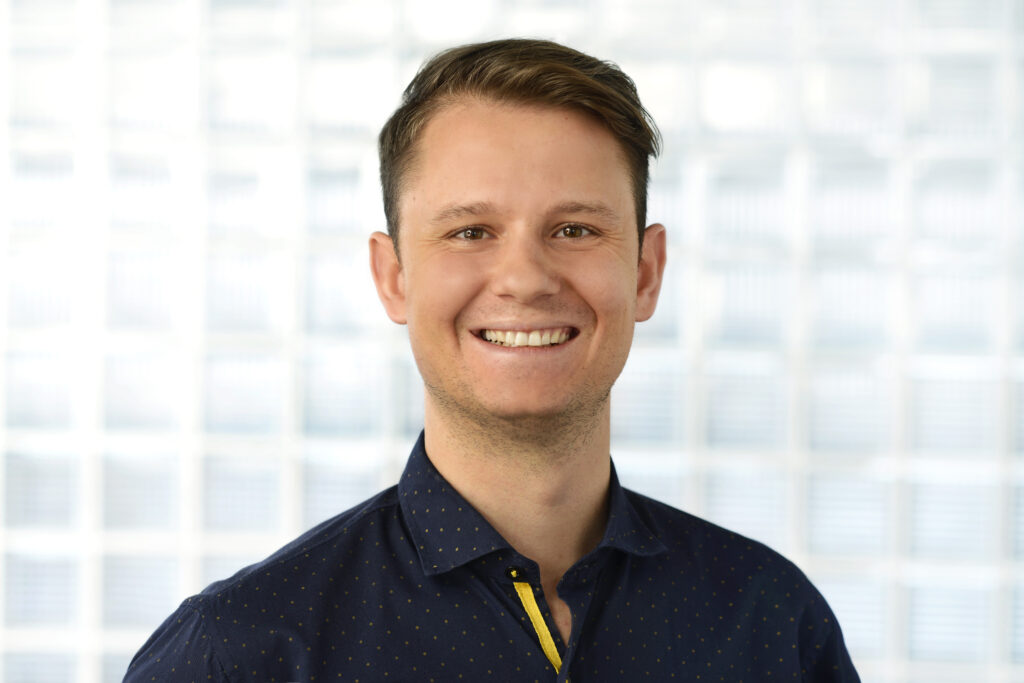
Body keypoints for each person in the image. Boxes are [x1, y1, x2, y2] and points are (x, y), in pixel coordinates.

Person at [124, 38, 859, 681]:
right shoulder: (239, 652)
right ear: (394, 277)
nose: (526, 279)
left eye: (574, 229)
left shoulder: (771, 621)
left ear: (645, 272)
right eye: (470, 232)